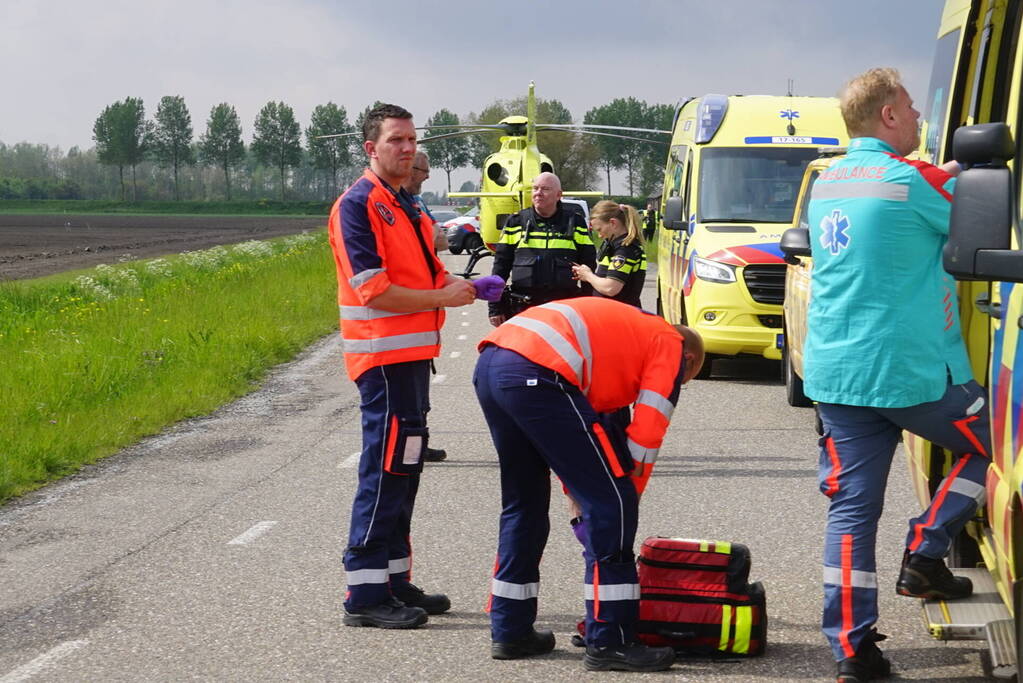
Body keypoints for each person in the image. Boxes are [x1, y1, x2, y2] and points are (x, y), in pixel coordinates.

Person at [804, 68, 990, 682]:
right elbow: (967, 206)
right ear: (887, 116)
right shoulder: (910, 180)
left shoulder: (826, 181)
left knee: (852, 514)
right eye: (911, 108)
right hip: (908, 373)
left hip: (836, 374)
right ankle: (927, 548)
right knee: (996, 445)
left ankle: (852, 652)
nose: (919, 119)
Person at [473, 296, 705, 671]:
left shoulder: (624, 343)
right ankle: (611, 640)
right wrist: (619, 503)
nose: (679, 383)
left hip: (495, 361)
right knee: (613, 503)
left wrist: (586, 494)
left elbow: (593, 436)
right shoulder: (671, 345)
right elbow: (646, 436)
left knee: (525, 503)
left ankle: (510, 630)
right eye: (684, 380)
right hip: (539, 371)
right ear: (689, 360)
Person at [327, 103, 477, 629]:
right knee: (385, 467)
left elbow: (429, 274)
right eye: (396, 140)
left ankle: (393, 579)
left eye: (411, 139)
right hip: (382, 359)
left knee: (406, 467)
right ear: (371, 148)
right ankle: (364, 596)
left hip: (412, 359)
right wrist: (446, 297)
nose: (408, 148)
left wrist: (463, 287)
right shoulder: (358, 204)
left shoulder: (407, 204)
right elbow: (374, 289)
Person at [488, 172, 596, 326]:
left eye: (545, 189)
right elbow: (500, 267)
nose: (538, 193)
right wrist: (495, 307)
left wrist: (587, 307)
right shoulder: (516, 222)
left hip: (564, 308)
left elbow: (588, 265)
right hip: (523, 307)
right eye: (535, 188)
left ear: (559, 195)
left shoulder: (575, 222)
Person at [402, 150, 451, 463]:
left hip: (423, 312)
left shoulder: (416, 204)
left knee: (419, 394)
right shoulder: (401, 206)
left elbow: (442, 242)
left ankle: (418, 447)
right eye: (423, 170)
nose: (427, 176)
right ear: (409, 169)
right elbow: (435, 239)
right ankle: (408, 453)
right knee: (408, 397)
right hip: (406, 311)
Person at [571, 200, 647, 309]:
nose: (600, 235)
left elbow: (611, 288)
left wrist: (588, 275)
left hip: (620, 316)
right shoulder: (617, 246)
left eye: (600, 229)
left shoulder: (625, 249)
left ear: (613, 223)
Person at [404, 151, 448, 253]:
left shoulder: (417, 200)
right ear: (411, 170)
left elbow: (443, 241)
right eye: (425, 171)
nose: (428, 177)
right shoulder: (391, 199)